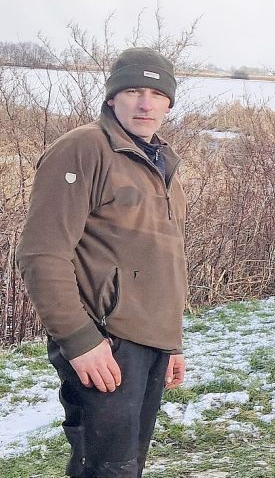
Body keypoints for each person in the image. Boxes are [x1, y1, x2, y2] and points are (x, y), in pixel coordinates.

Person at [16, 47, 189, 477]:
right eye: (133, 90)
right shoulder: (83, 149)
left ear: (169, 103)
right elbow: (41, 253)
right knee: (105, 468)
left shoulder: (161, 160)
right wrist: (80, 342)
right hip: (104, 343)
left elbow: (164, 260)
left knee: (129, 465)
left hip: (150, 344)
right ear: (112, 97)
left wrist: (172, 342)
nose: (145, 103)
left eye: (156, 93)